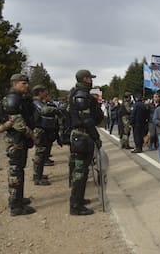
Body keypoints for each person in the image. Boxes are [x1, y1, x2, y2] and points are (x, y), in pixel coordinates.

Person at [68, 69, 103, 215]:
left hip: (81, 136)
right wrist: (96, 137)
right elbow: (87, 120)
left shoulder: (77, 93)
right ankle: (75, 206)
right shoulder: (81, 96)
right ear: (85, 79)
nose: (91, 81)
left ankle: (79, 200)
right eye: (90, 79)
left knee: (82, 171)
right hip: (82, 136)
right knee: (80, 172)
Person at [2, 73, 37, 216]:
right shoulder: (12, 99)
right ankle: (15, 207)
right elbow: (19, 124)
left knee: (19, 170)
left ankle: (18, 199)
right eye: (23, 83)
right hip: (16, 140)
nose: (26, 86)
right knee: (16, 171)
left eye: (27, 83)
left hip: (18, 140)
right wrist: (32, 136)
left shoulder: (18, 98)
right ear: (15, 83)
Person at [31, 85, 58, 186]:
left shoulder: (40, 102)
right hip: (39, 130)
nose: (46, 93)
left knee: (42, 154)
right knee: (39, 154)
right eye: (44, 91)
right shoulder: (36, 103)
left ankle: (39, 174)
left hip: (43, 130)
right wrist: (56, 110)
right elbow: (44, 110)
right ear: (40, 92)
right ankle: (37, 177)